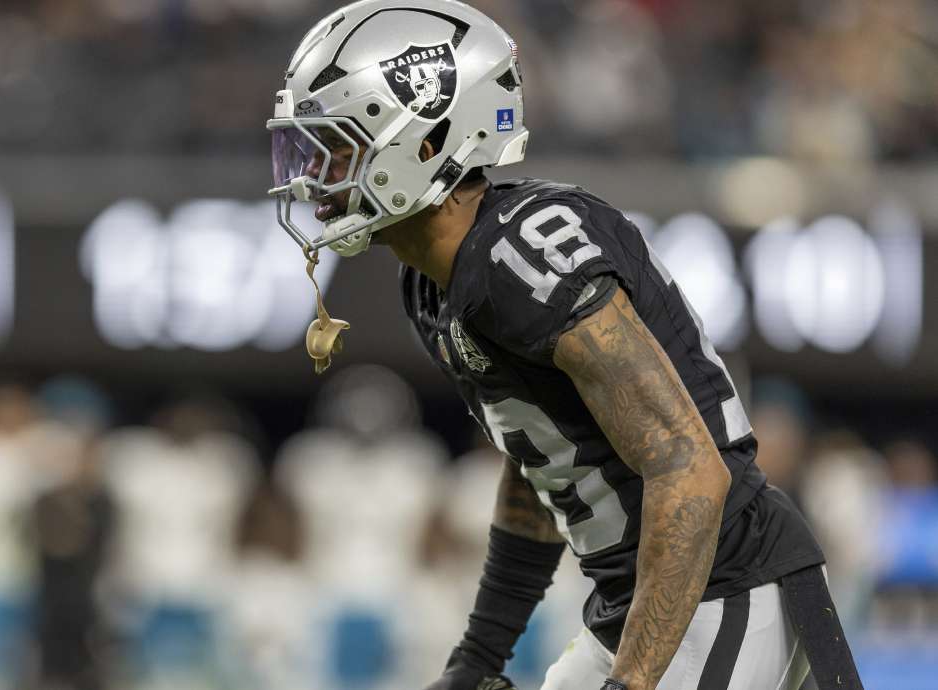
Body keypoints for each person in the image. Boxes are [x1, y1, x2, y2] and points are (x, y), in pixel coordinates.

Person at [265, 2, 860, 689]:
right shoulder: (432, 284)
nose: (313, 175)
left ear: (426, 141)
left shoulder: (521, 258)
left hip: (720, 587)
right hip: (642, 605)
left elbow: (690, 471)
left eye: (337, 146)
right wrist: (479, 658)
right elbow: (544, 462)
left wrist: (629, 685)